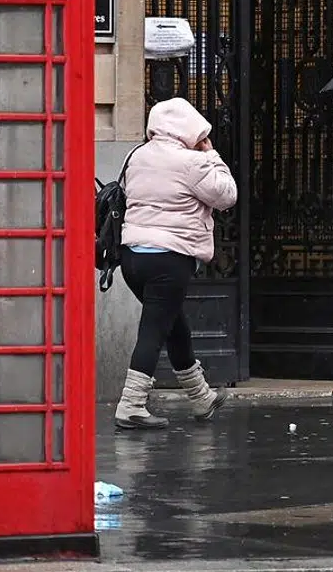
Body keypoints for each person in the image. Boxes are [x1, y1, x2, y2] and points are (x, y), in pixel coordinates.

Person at [114, 97, 238, 430]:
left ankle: (201, 397)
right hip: (169, 259)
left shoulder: (136, 156)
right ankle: (131, 404)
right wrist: (211, 155)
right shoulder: (191, 162)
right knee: (154, 329)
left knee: (173, 324)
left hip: (132, 258)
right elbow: (227, 195)